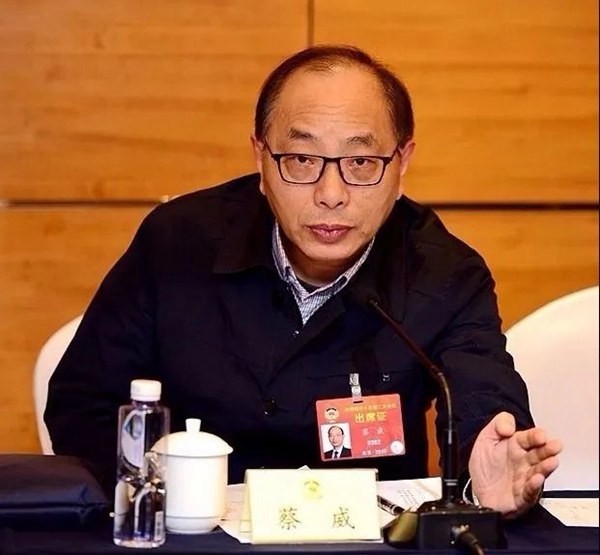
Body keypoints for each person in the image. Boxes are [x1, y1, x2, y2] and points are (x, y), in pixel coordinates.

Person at [45, 44, 562, 519]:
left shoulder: (445, 273)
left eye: (361, 162)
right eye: (301, 159)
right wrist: (161, 495)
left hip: (363, 541)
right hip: (194, 534)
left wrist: (486, 475)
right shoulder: (178, 243)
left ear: (402, 162)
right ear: (261, 158)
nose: (331, 193)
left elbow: (482, 399)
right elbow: (84, 401)